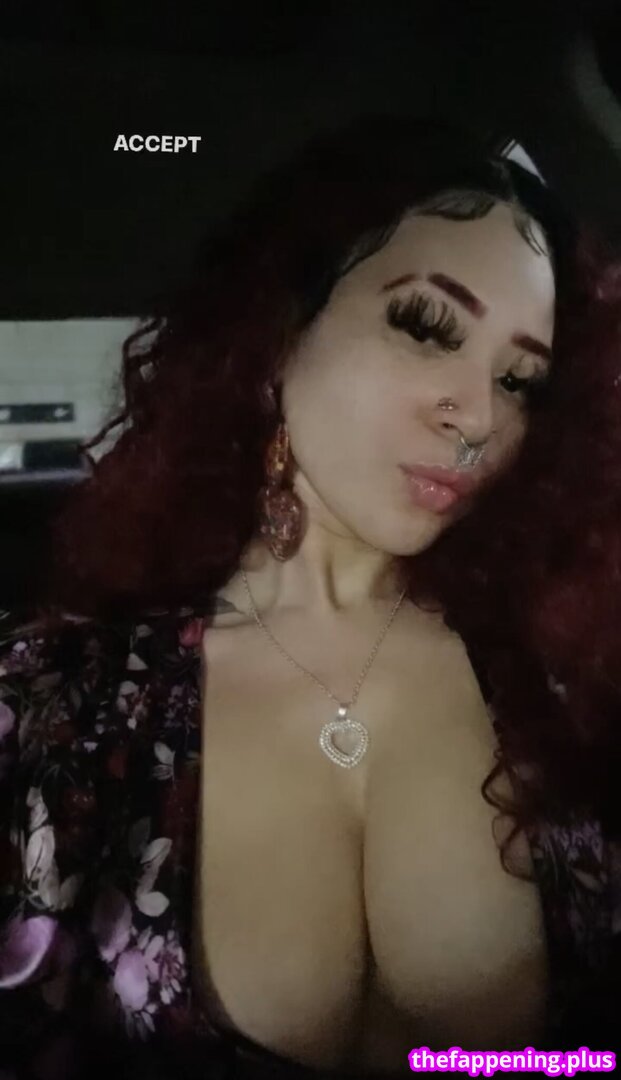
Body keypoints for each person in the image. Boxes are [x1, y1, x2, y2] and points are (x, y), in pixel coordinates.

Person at [1, 112, 621, 1080]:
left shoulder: (569, 679)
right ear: (280, 331)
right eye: (426, 326)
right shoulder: (54, 707)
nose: (477, 416)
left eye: (520, 381)